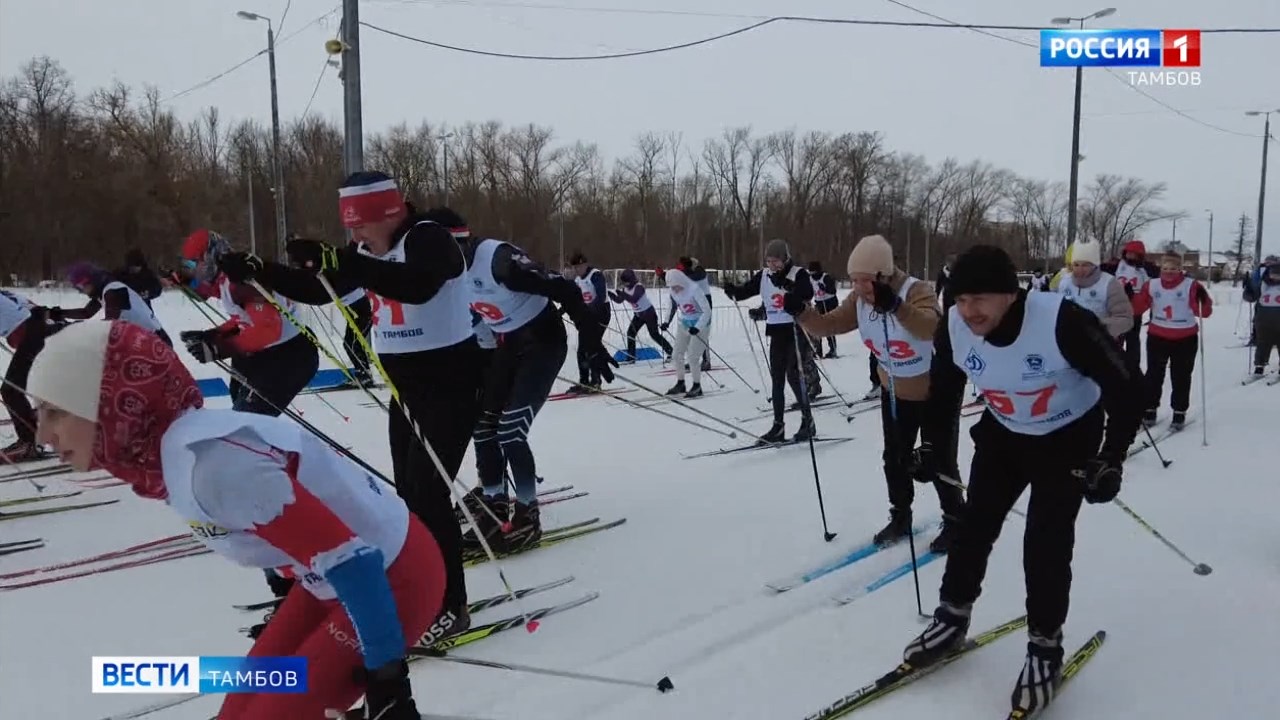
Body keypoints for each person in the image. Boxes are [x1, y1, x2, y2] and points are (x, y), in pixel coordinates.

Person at [29, 320, 437, 720]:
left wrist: (388, 681)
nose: (42, 436)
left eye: (56, 412)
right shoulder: (165, 454)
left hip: (391, 579)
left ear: (111, 403)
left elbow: (357, 564)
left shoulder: (214, 468)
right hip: (332, 582)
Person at [218, 174, 482, 637]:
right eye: (351, 230)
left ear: (387, 213)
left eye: (360, 226)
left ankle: (450, 605)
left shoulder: (428, 238)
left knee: (429, 496)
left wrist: (341, 260)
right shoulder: (364, 255)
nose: (356, 237)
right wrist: (261, 269)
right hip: (405, 392)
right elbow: (320, 288)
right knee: (410, 499)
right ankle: (422, 593)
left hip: (450, 385)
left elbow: (419, 286)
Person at [902, 245, 1143, 715]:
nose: (969, 311)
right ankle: (952, 617)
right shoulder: (955, 324)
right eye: (961, 299)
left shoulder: (1063, 321)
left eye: (980, 300)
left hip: (1066, 436)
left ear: (1010, 295)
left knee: (1045, 543)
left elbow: (1128, 386)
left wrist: (1111, 456)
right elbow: (944, 390)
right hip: (1005, 433)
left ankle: (1044, 649)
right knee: (973, 529)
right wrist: (932, 447)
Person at [788, 235, 963, 552]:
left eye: (865, 281)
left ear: (884, 276)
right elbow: (830, 325)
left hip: (935, 391)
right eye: (854, 280)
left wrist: (895, 306)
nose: (859, 288)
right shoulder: (859, 299)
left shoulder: (916, 290)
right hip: (894, 389)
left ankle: (955, 521)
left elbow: (930, 327)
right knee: (894, 458)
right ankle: (900, 516)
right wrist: (802, 313)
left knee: (938, 460)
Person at [455, 214, 615, 550]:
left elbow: (565, 288)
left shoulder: (498, 261)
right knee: (483, 427)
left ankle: (527, 517)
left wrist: (591, 343)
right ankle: (494, 506)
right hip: (506, 346)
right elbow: (473, 323)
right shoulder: (447, 273)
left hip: (543, 342)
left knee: (510, 431)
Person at [176, 228, 320, 417]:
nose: (193, 270)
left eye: (195, 263)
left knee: (248, 420)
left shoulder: (240, 280)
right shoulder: (225, 277)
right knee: (242, 415)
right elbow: (241, 317)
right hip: (265, 353)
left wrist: (222, 347)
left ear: (211, 256)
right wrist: (214, 335)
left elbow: (268, 329)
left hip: (288, 355)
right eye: (188, 265)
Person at [723, 239, 818, 443]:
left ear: (785, 259)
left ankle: (807, 420)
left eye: (776, 261)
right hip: (776, 331)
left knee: (793, 375)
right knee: (777, 378)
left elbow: (807, 292)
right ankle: (778, 426)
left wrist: (788, 286)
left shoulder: (798, 273)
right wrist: (733, 291)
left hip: (796, 328)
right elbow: (746, 290)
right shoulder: (764, 275)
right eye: (769, 261)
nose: (772, 265)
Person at [1130, 253, 1212, 430]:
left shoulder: (1191, 285)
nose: (1169, 272)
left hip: (1185, 338)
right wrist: (1129, 297)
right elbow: (1137, 308)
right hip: (1158, 336)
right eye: (1165, 268)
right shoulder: (1151, 285)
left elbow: (1205, 312)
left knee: (1181, 376)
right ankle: (1150, 408)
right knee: (1153, 375)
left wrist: (1202, 298)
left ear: (1180, 269)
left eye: (1173, 269)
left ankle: (1179, 411)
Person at [0, 289, 64, 462]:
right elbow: (35, 308)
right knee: (14, 389)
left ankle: (29, 443)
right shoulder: (4, 293)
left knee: (11, 390)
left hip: (34, 335)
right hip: (39, 330)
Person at [55, 262, 171, 345]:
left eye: (80, 287)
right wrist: (57, 314)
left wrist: (70, 329)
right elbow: (86, 313)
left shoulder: (113, 291)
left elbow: (108, 327)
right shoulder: (104, 289)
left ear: (90, 280)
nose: (80, 291)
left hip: (155, 341)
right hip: (144, 340)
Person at [1054, 240, 1134, 340]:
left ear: (1095, 265)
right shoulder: (1063, 282)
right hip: (1065, 341)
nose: (1080, 269)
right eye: (1076, 265)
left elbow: (1125, 319)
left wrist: (1097, 327)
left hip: (1098, 343)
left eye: (1085, 265)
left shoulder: (1109, 284)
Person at [1102, 240, 1160, 371]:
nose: (1130, 256)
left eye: (1134, 254)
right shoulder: (1117, 265)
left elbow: (1164, 276)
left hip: (1136, 311)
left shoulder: (1146, 269)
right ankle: (1115, 365)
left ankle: (1133, 368)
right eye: (1128, 253)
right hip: (1117, 309)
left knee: (1133, 340)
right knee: (1116, 339)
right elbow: (1100, 269)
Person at [662, 268, 712, 399]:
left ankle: (697, 386)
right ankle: (680, 383)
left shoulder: (694, 289)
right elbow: (671, 306)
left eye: (676, 286)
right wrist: (666, 321)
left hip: (700, 325)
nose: (674, 289)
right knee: (676, 354)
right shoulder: (673, 291)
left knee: (692, 357)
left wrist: (698, 327)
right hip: (684, 324)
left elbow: (707, 311)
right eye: (672, 287)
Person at [566, 252, 611, 394]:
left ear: (585, 264)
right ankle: (585, 381)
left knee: (590, 347)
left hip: (601, 313)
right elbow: (576, 299)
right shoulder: (578, 280)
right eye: (575, 268)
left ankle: (595, 381)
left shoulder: (595, 275)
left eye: (579, 267)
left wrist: (587, 311)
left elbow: (600, 297)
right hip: (588, 316)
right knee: (583, 349)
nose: (577, 270)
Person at [609, 268, 672, 363]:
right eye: (624, 282)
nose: (626, 284)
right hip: (638, 315)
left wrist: (623, 295)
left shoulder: (639, 287)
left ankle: (671, 352)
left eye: (627, 282)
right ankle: (631, 356)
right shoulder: (625, 289)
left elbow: (634, 299)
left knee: (654, 335)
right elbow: (619, 300)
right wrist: (611, 295)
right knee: (630, 333)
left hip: (649, 314)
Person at [1242, 260, 1280, 376]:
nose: (1275, 277)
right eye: (1273, 274)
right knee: (1262, 343)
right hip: (1263, 319)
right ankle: (1259, 366)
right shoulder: (1262, 284)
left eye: (1278, 274)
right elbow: (1251, 297)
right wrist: (1247, 288)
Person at [807, 260, 839, 358]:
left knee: (827, 326)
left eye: (814, 272)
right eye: (811, 272)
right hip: (819, 303)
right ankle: (817, 350)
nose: (812, 275)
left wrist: (824, 288)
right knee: (816, 326)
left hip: (829, 302)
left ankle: (832, 349)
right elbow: (809, 291)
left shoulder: (826, 277)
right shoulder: (810, 279)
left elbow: (833, 291)